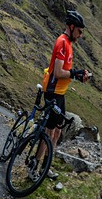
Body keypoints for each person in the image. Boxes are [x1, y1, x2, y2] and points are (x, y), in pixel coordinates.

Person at [34, 10, 91, 167]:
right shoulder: (62, 43)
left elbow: (66, 72)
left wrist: (78, 75)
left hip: (60, 92)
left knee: (58, 130)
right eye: (79, 31)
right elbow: (58, 73)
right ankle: (34, 164)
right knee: (49, 131)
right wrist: (75, 73)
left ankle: (46, 165)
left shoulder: (69, 44)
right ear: (71, 27)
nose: (80, 35)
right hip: (53, 92)